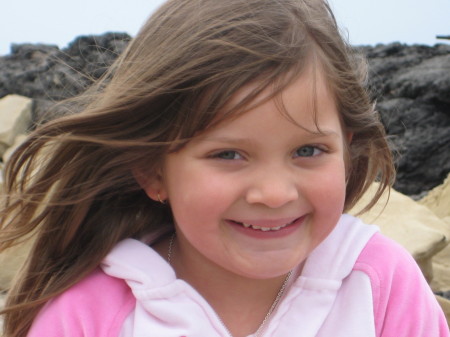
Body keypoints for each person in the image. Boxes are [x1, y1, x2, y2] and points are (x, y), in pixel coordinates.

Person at [0, 0, 448, 336]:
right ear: (152, 172)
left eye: (308, 151)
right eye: (228, 154)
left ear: (347, 152)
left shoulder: (381, 283)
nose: (274, 193)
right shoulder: (90, 314)